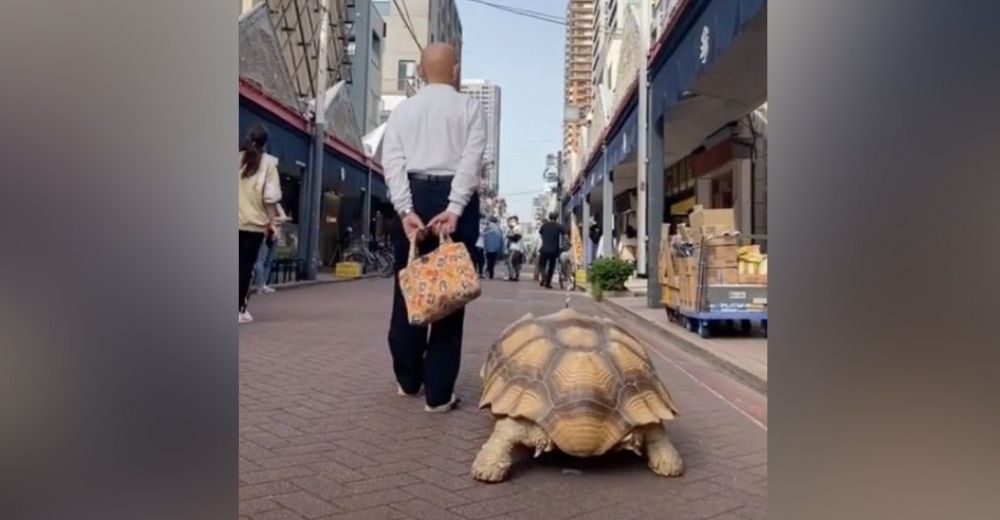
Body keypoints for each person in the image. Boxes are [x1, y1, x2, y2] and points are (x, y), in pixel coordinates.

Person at [381, 43, 486, 413]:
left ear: (422, 71)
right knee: (450, 294)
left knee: (409, 288)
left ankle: (409, 380)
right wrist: (455, 208)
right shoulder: (470, 108)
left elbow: (391, 160)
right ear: (455, 70)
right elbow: (472, 162)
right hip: (455, 198)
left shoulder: (404, 111)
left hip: (413, 193)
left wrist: (405, 208)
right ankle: (438, 394)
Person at [238, 123, 282, 324]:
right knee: (245, 267)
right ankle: (239, 308)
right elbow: (270, 199)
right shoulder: (268, 165)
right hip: (254, 226)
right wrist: (273, 224)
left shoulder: (237, 159)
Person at [253, 203, 290, 294]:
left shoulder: (278, 205)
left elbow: (284, 218)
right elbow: (262, 219)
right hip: (265, 235)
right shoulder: (263, 205)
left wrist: (272, 220)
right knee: (260, 260)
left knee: (268, 261)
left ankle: (264, 284)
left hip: (275, 236)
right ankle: (260, 285)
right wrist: (276, 220)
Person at [537, 212, 566, 289]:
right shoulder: (559, 226)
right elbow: (565, 235)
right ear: (556, 218)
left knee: (541, 265)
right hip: (554, 249)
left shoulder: (544, 226)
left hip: (544, 249)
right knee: (551, 267)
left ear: (549, 217)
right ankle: (548, 283)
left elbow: (541, 235)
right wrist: (568, 243)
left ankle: (543, 276)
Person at [504, 216, 524, 281]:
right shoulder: (514, 228)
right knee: (515, 263)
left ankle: (512, 276)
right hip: (514, 247)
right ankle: (515, 276)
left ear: (515, 221)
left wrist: (509, 236)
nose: (510, 223)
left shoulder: (517, 228)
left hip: (515, 248)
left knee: (510, 261)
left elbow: (516, 237)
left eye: (511, 221)